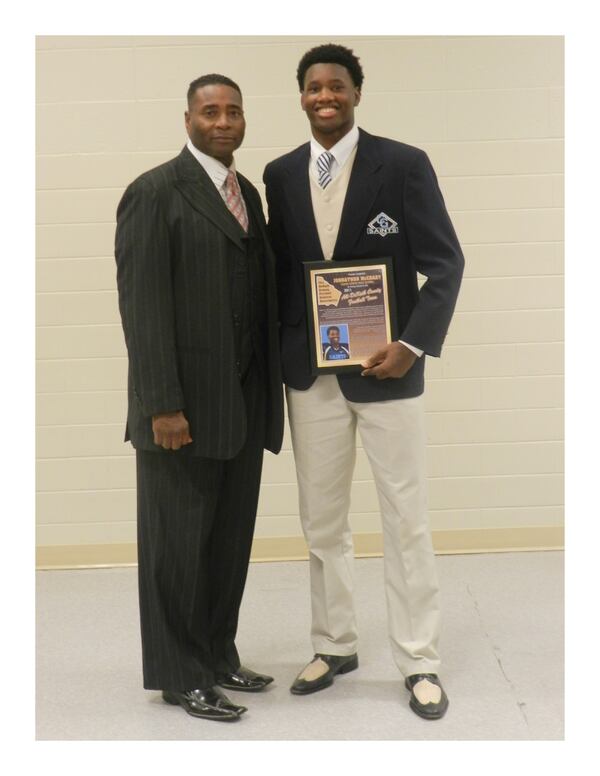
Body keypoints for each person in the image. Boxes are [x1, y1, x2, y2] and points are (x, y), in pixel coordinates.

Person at [263, 44, 464, 720]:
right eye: (314, 87)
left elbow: (446, 263)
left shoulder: (404, 165)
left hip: (388, 371)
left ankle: (420, 659)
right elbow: (283, 272)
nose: (326, 96)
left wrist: (410, 345)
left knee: (406, 519)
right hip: (312, 375)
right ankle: (335, 643)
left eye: (337, 86)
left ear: (356, 93)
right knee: (322, 523)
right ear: (301, 96)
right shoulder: (281, 173)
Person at [115, 74, 284, 722]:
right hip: (179, 413)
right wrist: (162, 405)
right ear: (187, 118)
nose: (222, 120)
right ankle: (179, 674)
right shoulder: (155, 194)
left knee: (226, 545)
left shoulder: (249, 198)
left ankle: (216, 653)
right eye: (209, 110)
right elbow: (144, 310)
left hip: (240, 409)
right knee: (177, 551)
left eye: (232, 111)